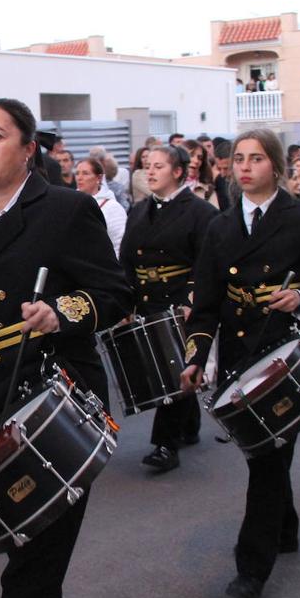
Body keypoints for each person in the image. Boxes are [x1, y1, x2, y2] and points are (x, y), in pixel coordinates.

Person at [0, 97, 131, 598]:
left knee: (31, 573)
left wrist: (61, 312)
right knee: (28, 561)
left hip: (57, 405)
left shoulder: (66, 209)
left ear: (28, 148)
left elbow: (115, 294)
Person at [180, 128, 300, 598]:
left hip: (285, 356)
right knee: (265, 455)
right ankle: (286, 527)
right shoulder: (219, 227)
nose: (244, 166)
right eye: (238, 159)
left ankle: (251, 569)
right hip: (237, 357)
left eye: (255, 158)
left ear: (275, 165)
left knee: (268, 460)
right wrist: (195, 356)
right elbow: (205, 305)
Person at [119, 144, 216, 473]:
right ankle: (189, 425)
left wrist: (191, 300)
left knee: (174, 369)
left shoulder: (200, 212)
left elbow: (206, 265)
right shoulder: (138, 210)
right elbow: (128, 262)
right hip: (148, 298)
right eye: (148, 165)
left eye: (159, 166)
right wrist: (127, 300)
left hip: (180, 301)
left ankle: (165, 444)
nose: (151, 171)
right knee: (166, 367)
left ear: (178, 172)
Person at [75, 157, 127, 257]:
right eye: (77, 173)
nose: (79, 177)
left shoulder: (112, 208)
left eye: (85, 173)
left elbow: (119, 244)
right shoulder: (71, 203)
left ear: (99, 178)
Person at [183, 139, 220, 208]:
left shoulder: (208, 190)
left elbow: (215, 216)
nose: (196, 161)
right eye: (191, 155)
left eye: (200, 158)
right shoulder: (167, 188)